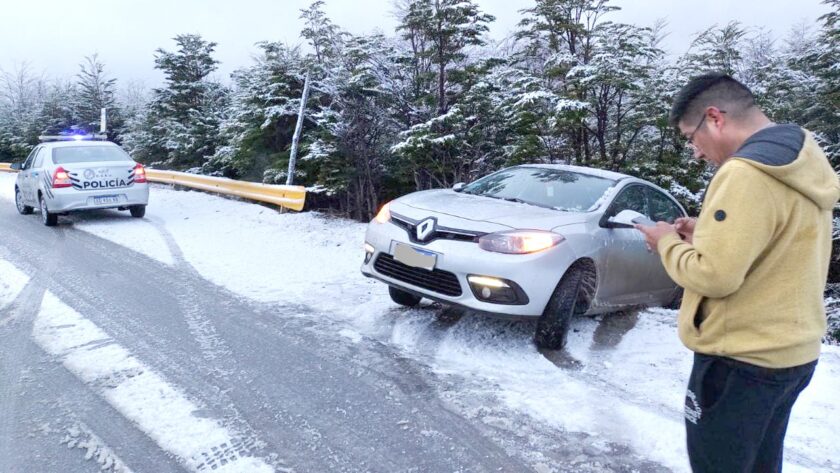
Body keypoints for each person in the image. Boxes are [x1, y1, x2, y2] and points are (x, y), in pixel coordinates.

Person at [636, 72, 840, 472]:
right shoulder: (799, 160)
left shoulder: (744, 172)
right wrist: (707, 234)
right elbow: (781, 246)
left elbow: (714, 276)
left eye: (691, 137)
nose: (695, 152)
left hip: (740, 362)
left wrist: (666, 242)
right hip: (791, 356)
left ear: (714, 117)